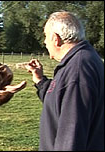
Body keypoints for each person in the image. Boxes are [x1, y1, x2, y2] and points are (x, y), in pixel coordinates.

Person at [25, 11, 104, 151]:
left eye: (45, 36)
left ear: (56, 39)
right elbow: (60, 102)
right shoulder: (82, 60)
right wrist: (40, 80)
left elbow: (71, 136)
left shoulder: (77, 71)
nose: (44, 42)